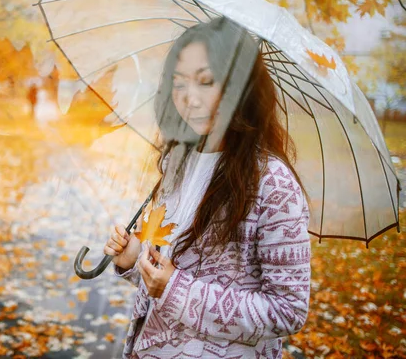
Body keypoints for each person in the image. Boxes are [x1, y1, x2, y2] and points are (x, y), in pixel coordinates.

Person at [103, 18, 311, 359]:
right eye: (179, 83)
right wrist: (133, 259)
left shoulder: (274, 184)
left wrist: (175, 290)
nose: (190, 99)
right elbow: (166, 270)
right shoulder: (177, 162)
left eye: (206, 82)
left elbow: (287, 310)